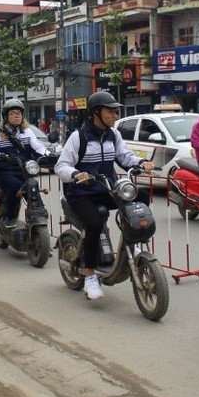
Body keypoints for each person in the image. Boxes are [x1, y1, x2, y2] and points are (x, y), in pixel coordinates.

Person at [54, 91, 154, 300]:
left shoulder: (113, 134)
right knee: (93, 223)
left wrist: (140, 163)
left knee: (141, 197)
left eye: (115, 111)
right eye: (110, 111)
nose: (115, 115)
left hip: (106, 188)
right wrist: (75, 174)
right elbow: (61, 166)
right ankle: (90, 275)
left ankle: (133, 246)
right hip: (80, 193)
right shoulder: (78, 137)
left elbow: (124, 157)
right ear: (95, 113)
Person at [0, 99, 48, 228]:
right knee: (15, 186)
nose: (17, 115)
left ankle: (39, 212)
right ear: (5, 117)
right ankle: (10, 217)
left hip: (24, 171)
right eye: (13, 113)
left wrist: (48, 154)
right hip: (5, 173)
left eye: (19, 112)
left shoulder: (27, 133)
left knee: (32, 186)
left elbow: (39, 147)